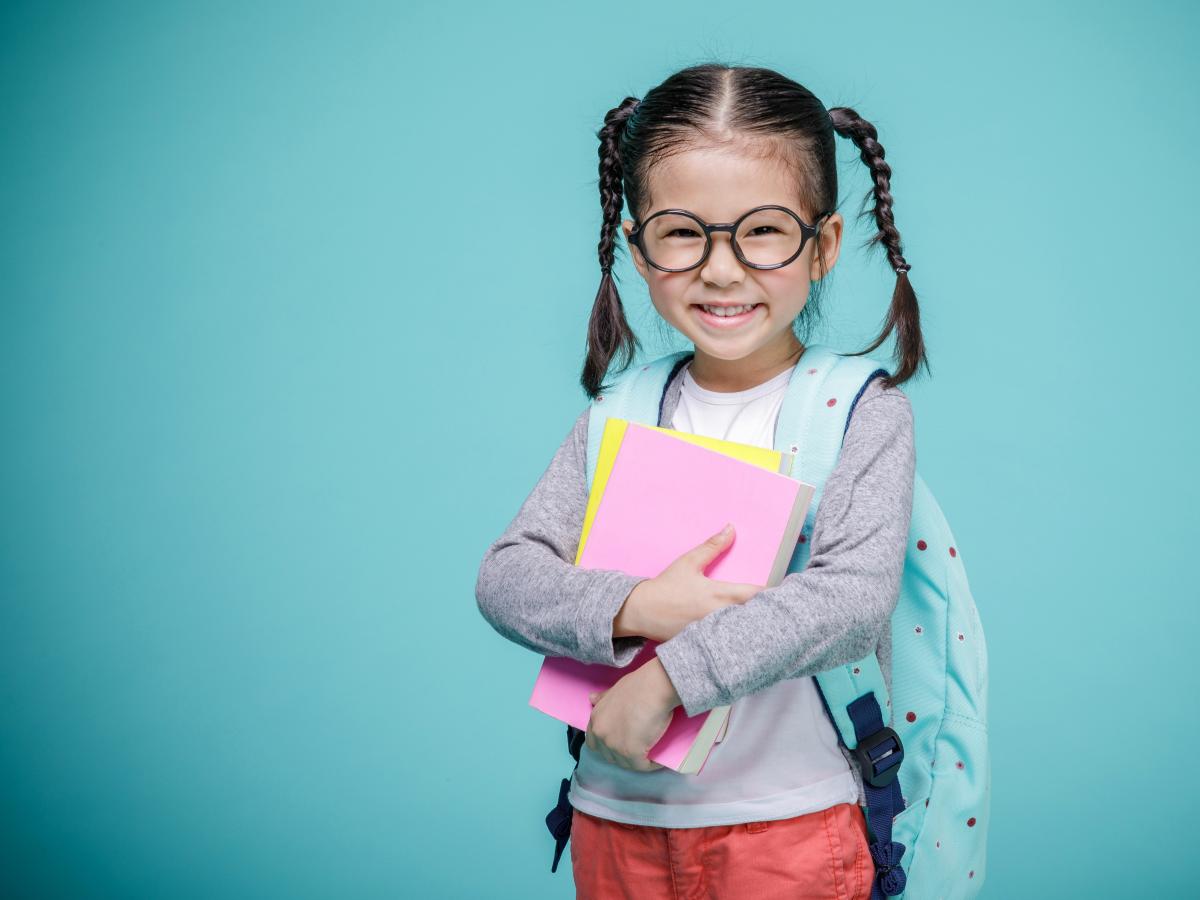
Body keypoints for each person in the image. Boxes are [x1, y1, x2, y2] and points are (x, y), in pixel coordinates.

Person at [475, 61, 924, 900]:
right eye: (683, 232)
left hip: (790, 825)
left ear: (823, 245)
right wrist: (637, 607)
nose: (721, 270)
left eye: (763, 231)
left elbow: (853, 598)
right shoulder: (620, 412)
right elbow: (506, 577)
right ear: (637, 246)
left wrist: (668, 677)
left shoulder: (857, 414)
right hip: (615, 820)